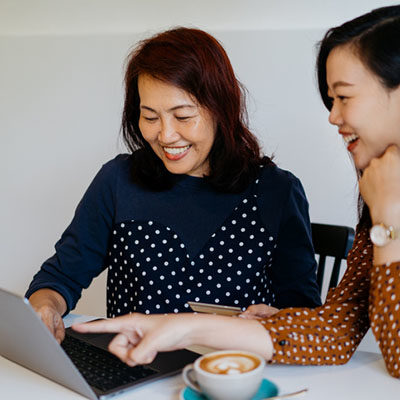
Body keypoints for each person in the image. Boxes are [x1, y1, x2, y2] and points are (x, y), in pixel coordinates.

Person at [74, 6, 400, 379]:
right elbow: (335, 332)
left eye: (344, 97)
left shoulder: (364, 195)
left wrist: (390, 220)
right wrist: (187, 327)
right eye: (331, 99)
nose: (332, 116)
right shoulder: (380, 185)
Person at [26, 27, 321, 344]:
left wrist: (281, 320)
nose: (165, 136)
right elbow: (60, 278)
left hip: (230, 374)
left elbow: (304, 313)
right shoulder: (117, 181)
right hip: (135, 371)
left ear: (221, 109)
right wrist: (45, 308)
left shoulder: (276, 191)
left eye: (182, 116)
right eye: (150, 117)